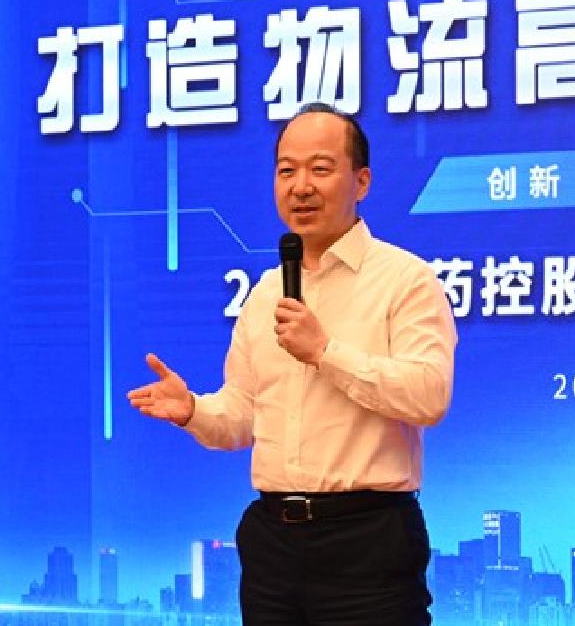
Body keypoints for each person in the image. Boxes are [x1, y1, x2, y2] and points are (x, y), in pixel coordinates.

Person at [128, 102, 457, 625]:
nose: (301, 186)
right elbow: (243, 415)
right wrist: (193, 410)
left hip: (367, 540)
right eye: (287, 171)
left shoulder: (406, 281)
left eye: (320, 169)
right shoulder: (264, 294)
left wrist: (325, 353)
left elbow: (428, 395)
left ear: (362, 181)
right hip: (273, 544)